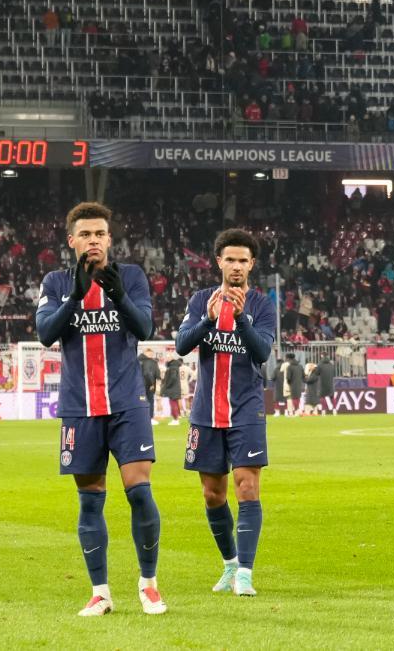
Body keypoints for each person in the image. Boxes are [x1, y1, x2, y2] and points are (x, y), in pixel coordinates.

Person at [35, 201, 166, 615]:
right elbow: (45, 333)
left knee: (139, 493)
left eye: (101, 233)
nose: (94, 240)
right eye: (86, 234)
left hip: (127, 401)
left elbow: (144, 328)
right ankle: (100, 592)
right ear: (72, 240)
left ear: (110, 238)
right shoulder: (56, 281)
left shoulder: (131, 276)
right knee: (90, 501)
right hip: (79, 405)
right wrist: (74, 296)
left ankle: (148, 584)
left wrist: (119, 295)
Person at [176, 228, 275, 597]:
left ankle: (246, 574)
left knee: (246, 487)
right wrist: (208, 319)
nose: (236, 266)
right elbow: (182, 345)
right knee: (212, 494)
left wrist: (241, 317)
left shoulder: (262, 305)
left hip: (246, 409)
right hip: (206, 411)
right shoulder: (201, 299)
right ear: (219, 261)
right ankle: (230, 564)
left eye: (242, 260)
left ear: (252, 264)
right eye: (229, 259)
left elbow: (263, 351)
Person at [140, 348, 161, 425]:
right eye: (150, 353)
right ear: (145, 353)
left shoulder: (138, 360)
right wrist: (152, 384)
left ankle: (143, 418)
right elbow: (147, 373)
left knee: (142, 402)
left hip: (139, 385)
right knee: (150, 401)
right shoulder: (150, 362)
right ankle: (150, 418)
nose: (151, 355)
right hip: (148, 386)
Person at [160, 357, 184, 425]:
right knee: (175, 403)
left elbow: (173, 377)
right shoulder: (174, 366)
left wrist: (167, 385)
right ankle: (176, 417)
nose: (166, 359)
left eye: (167, 358)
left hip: (173, 389)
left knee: (173, 403)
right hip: (175, 388)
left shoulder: (173, 367)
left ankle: (175, 419)